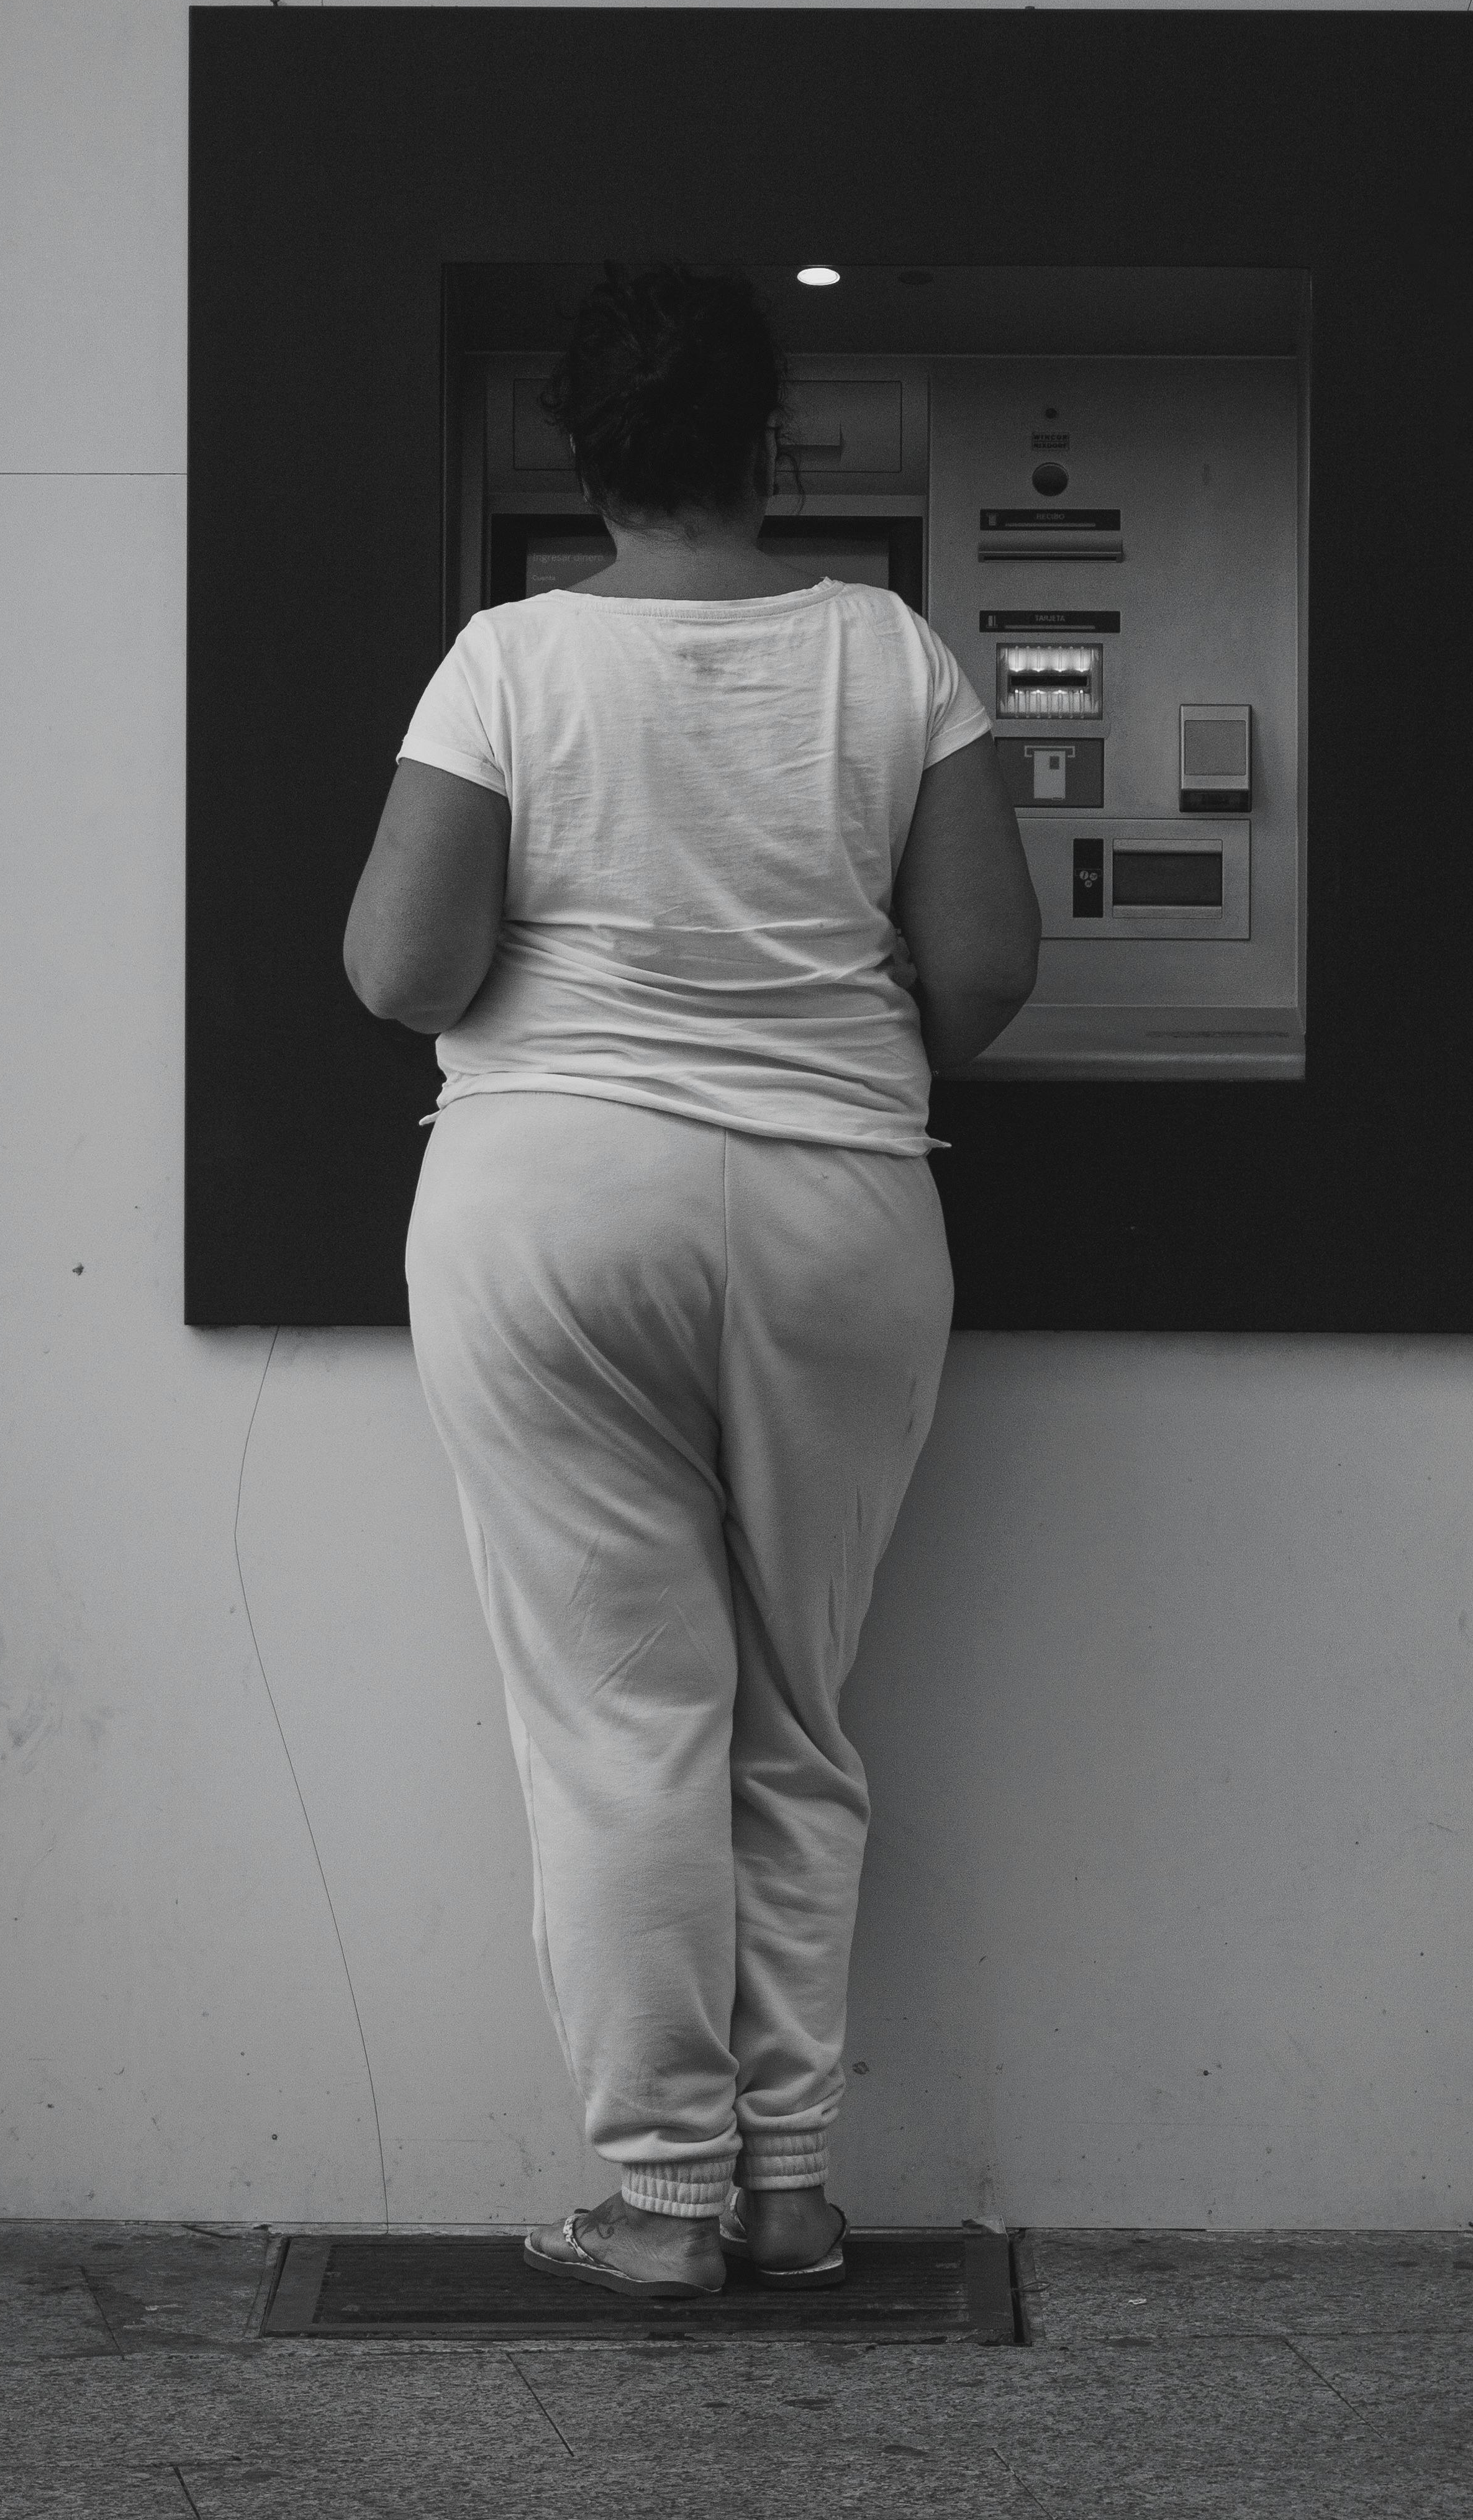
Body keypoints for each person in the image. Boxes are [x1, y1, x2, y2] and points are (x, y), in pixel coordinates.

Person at [342, 263, 1041, 2300]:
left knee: (623, 1713)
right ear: (777, 440)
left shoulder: (505, 657)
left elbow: (402, 969)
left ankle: (658, 2197)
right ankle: (791, 2188)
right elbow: (986, 969)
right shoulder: (894, 650)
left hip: (550, 1207)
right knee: (793, 1709)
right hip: (835, 1203)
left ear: (580, 451)